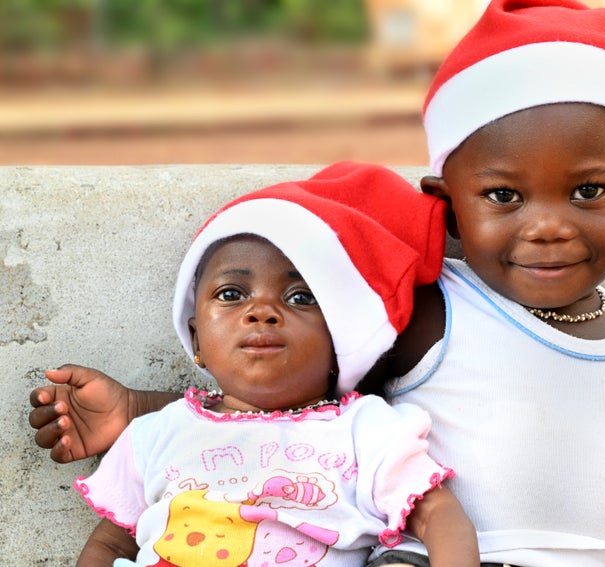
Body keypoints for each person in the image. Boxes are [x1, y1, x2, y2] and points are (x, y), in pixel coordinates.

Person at [30, 2, 605, 566]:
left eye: (588, 191)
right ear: (448, 208)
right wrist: (136, 411)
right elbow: (291, 396)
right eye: (504, 197)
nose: (548, 226)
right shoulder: (434, 313)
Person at [67, 162, 478, 566]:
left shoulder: (365, 430)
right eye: (231, 294)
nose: (261, 311)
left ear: (343, 340)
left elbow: (438, 516)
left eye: (300, 297)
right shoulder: (154, 434)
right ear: (196, 339)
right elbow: (110, 546)